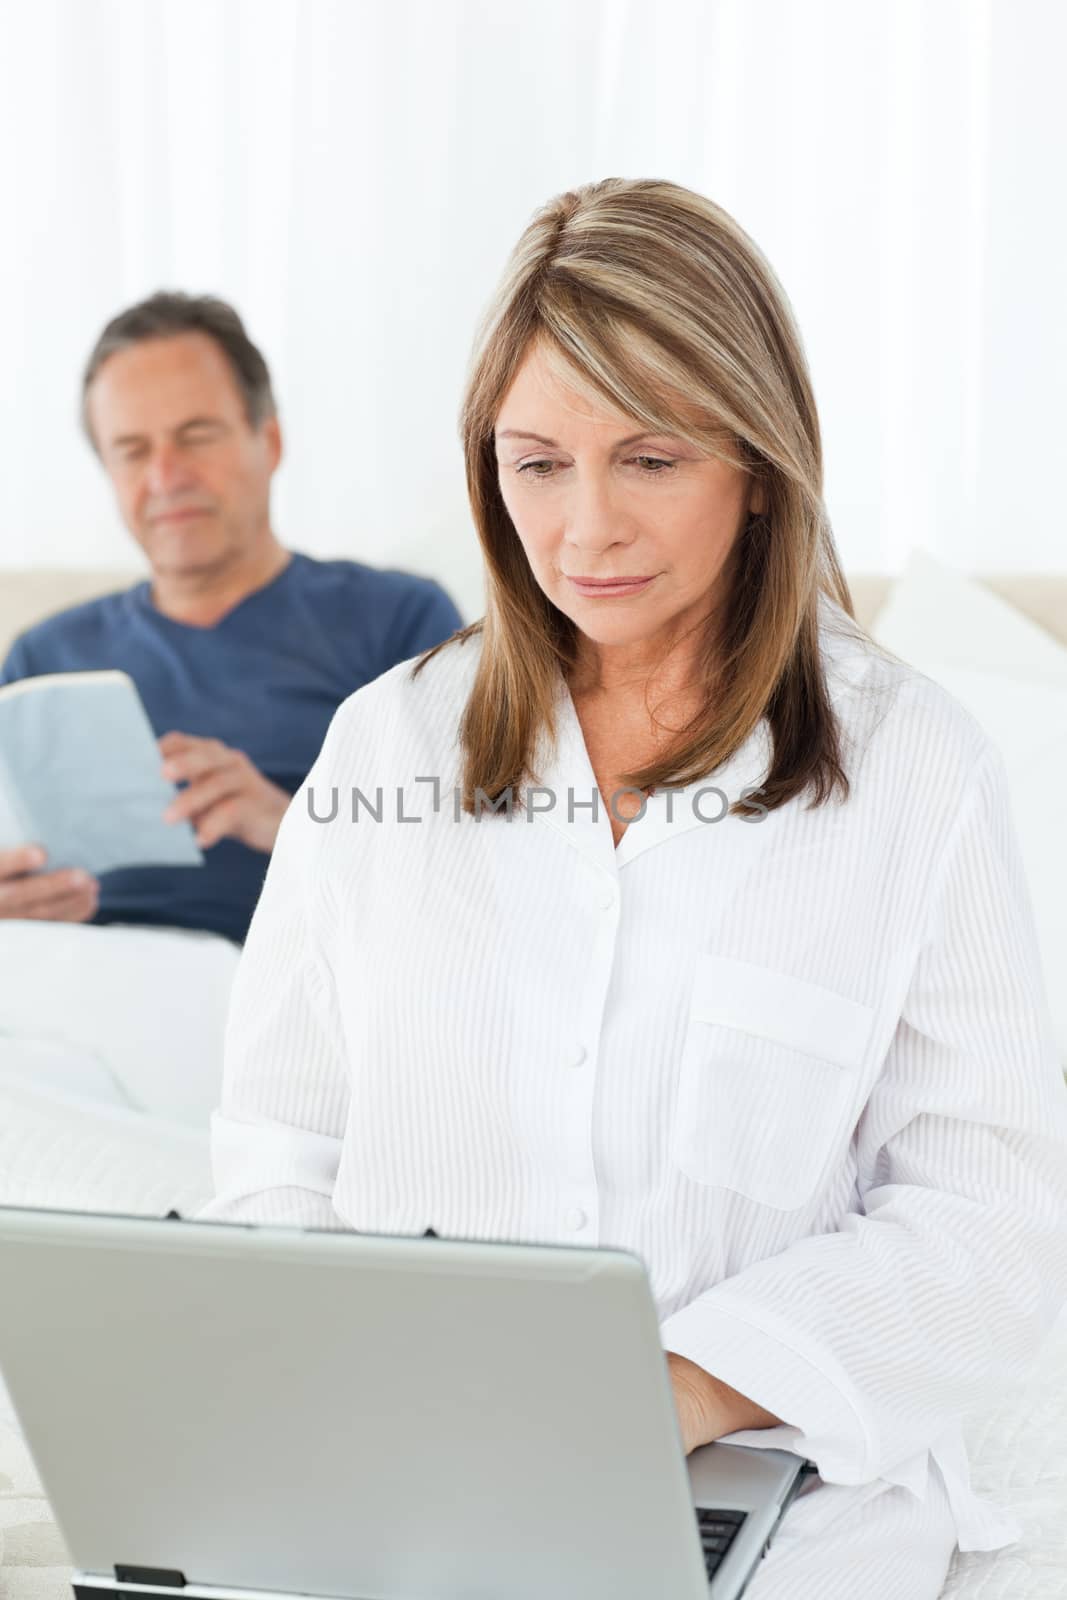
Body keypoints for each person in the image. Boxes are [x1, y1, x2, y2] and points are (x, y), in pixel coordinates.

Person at [198, 180, 1067, 1598]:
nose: (583, 528)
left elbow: (985, 1221)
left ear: (756, 460)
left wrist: (668, 1390)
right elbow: (279, 1147)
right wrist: (343, 1394)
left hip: (772, 1501)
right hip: (405, 1488)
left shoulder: (916, 769)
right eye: (536, 464)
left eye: (647, 459)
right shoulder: (385, 744)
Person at [0, 292, 462, 944]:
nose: (165, 476)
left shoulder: (397, 620)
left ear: (267, 441)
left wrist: (294, 824)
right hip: (85, 985)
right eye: (132, 450)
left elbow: (473, 852)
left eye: (196, 436)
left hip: (295, 973)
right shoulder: (42, 660)